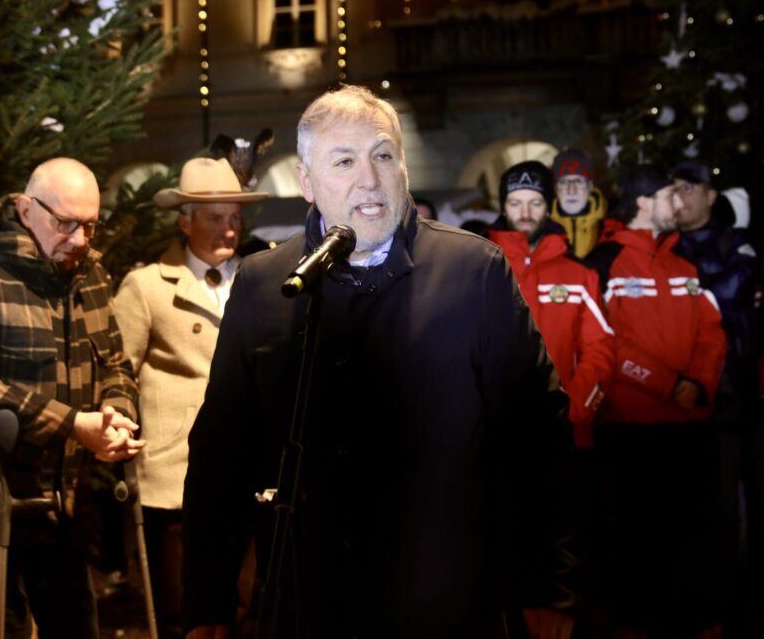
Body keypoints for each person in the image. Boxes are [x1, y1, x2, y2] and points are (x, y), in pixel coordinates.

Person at [182, 85, 578, 639]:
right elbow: (221, 450)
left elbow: (539, 431)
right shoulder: (266, 284)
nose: (369, 179)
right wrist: (208, 602)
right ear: (306, 182)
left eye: (383, 156)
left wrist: (547, 584)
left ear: (403, 169)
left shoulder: (473, 271)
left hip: (445, 603)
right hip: (307, 600)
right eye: (344, 161)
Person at [0, 158, 144, 639]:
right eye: (65, 223)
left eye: (90, 225)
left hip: (63, 502)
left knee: (77, 626)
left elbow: (115, 365)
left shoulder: (90, 275)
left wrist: (116, 415)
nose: (80, 240)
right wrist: (72, 425)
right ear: (27, 210)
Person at [113, 157, 267, 638]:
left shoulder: (258, 280)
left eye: (234, 218)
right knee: (185, 610)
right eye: (215, 218)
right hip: (175, 471)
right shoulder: (147, 286)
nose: (228, 230)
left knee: (245, 605)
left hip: (250, 468)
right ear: (185, 221)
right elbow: (119, 367)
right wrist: (118, 419)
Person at [584, 164, 726, 639]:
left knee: (695, 531)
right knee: (637, 537)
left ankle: (697, 619)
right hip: (631, 429)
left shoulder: (686, 264)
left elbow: (712, 332)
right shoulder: (603, 263)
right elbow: (608, 342)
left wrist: (700, 384)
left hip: (691, 424)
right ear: (643, 202)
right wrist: (668, 384)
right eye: (671, 194)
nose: (680, 204)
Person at [672, 161, 760, 626]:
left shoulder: (734, 242)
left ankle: (736, 599)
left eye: (690, 187)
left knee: (731, 504)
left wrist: (679, 294)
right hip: (674, 396)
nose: (680, 196)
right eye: (674, 188)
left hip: (728, 395)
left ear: (710, 195)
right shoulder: (665, 245)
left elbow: (729, 294)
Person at [487, 160, 614, 447]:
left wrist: (576, 409)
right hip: (497, 435)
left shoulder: (579, 274)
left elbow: (600, 349)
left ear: (549, 206)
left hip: (564, 432)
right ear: (503, 207)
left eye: (535, 203)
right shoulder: (478, 267)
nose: (525, 214)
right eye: (515, 203)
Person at [550, 147, 607, 258]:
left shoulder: (609, 228)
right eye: (564, 182)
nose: (572, 190)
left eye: (579, 181)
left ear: (590, 186)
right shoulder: (540, 229)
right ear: (555, 188)